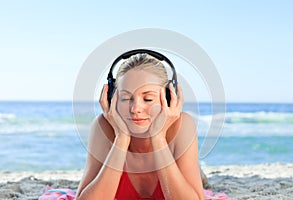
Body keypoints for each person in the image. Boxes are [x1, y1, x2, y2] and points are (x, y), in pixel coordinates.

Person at [76, 51, 205, 200]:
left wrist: (158, 138)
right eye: (125, 98)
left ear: (169, 98)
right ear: (112, 98)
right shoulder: (103, 127)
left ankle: (199, 173)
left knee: (195, 178)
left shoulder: (183, 126)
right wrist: (121, 138)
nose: (135, 109)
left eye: (148, 99)